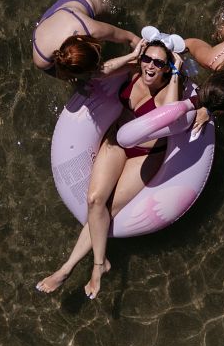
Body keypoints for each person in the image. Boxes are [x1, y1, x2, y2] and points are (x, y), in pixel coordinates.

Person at [36, 36, 186, 299]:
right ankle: (94, 264)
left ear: (166, 67)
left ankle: (75, 267)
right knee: (95, 200)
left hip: (146, 154)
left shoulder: (166, 92)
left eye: (158, 63)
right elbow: (99, 71)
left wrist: (175, 73)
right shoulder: (134, 72)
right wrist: (132, 57)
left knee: (111, 207)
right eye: (147, 59)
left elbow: (173, 116)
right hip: (117, 140)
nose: (150, 66)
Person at [31, 0, 140, 82]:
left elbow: (130, 37)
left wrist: (143, 54)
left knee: (110, 11)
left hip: (75, 3)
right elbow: (99, 73)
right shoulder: (41, 60)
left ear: (82, 38)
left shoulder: (91, 28)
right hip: (47, 26)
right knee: (85, 79)